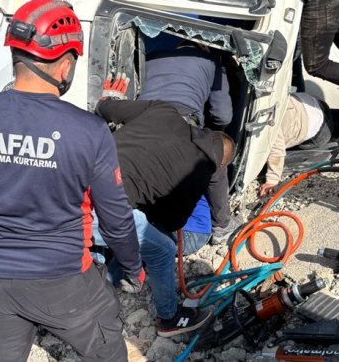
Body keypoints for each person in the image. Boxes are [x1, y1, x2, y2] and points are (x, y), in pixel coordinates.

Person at [0, 0, 143, 362]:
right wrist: (133, 267)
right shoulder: (88, 132)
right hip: (65, 282)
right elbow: (116, 218)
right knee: (107, 354)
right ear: (66, 66)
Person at [92, 97, 235, 337]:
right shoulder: (199, 173)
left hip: (70, 177)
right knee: (162, 249)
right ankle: (169, 318)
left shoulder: (162, 110)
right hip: (98, 206)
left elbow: (104, 107)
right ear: (221, 163)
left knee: (98, 250)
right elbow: (170, 222)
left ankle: (90, 287)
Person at [138, 41, 242, 245]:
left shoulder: (149, 58)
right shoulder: (211, 62)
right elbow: (223, 116)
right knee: (214, 164)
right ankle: (222, 224)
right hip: (180, 122)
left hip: (139, 122)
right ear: (205, 47)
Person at [259, 93, 339, 196]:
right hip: (310, 102)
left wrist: (272, 181)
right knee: (331, 115)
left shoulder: (266, 121)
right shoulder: (263, 100)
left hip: (320, 130)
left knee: (336, 128)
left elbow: (277, 151)